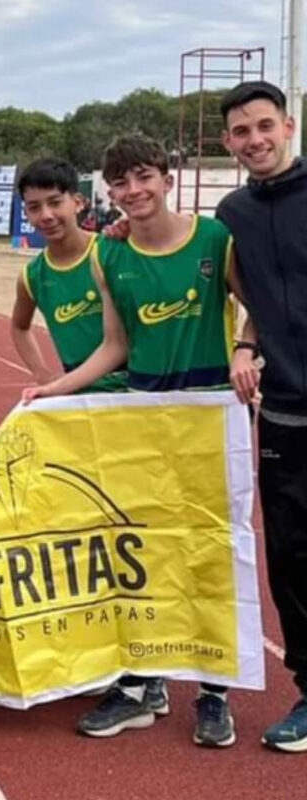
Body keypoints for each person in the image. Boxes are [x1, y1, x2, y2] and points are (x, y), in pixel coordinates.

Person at [23, 134, 248, 747]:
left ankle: (213, 693)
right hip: (141, 415)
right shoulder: (109, 257)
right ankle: (143, 682)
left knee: (209, 552)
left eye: (143, 177)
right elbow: (115, 346)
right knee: (138, 549)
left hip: (206, 414)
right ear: (109, 192)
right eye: (120, 184)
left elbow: (255, 308)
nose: (133, 192)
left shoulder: (214, 240)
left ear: (167, 178)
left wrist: (248, 351)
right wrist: (54, 388)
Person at [214, 80, 307, 752]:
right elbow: (256, 291)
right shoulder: (233, 212)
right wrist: (248, 340)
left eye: (264, 126)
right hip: (282, 417)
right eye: (242, 132)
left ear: (290, 126)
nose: (256, 140)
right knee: (293, 561)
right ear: (227, 142)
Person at [10, 157, 127, 391]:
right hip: (80, 396)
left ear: (78, 202)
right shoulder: (32, 276)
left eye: (55, 202)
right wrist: (42, 374)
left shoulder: (114, 250)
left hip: (136, 390)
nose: (46, 215)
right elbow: (19, 327)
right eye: (34, 208)